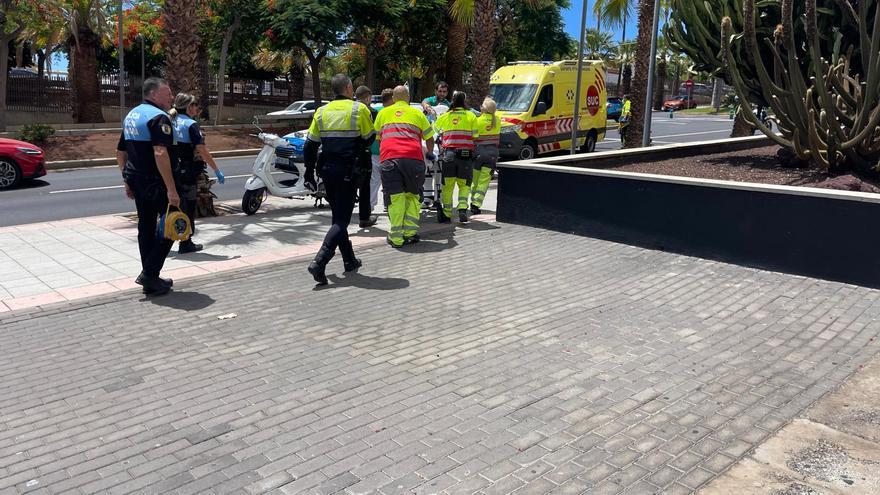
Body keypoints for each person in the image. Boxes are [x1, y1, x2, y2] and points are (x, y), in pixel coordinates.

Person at [303, 74, 376, 285]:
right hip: (348, 172)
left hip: (326, 171)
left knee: (338, 216)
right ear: (348, 88)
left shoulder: (321, 111)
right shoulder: (359, 109)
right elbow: (369, 138)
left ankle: (349, 260)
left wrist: (308, 172)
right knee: (342, 221)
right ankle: (319, 261)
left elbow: (310, 145)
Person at [116, 77, 178, 296]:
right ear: (153, 94)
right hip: (155, 181)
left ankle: (150, 278)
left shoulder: (132, 115)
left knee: (146, 227)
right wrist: (171, 189)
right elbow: (160, 153)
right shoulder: (159, 117)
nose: (171, 97)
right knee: (175, 223)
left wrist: (126, 179)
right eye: (167, 93)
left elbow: (120, 152)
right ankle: (149, 274)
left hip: (137, 179)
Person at [374, 85, 435, 248]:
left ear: (393, 98)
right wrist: (430, 154)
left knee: (395, 198)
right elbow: (430, 138)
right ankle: (410, 233)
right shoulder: (417, 113)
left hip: (390, 160)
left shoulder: (383, 113)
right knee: (413, 197)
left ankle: (396, 237)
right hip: (413, 160)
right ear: (408, 98)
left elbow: (378, 139)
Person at [170, 92, 226, 254]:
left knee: (172, 205)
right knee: (188, 206)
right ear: (189, 107)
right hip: (187, 172)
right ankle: (186, 242)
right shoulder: (191, 125)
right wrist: (216, 170)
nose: (197, 108)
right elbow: (202, 149)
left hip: (171, 169)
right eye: (195, 105)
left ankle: (164, 238)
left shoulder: (170, 120)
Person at [433, 90, 478, 223]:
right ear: (464, 101)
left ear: (452, 100)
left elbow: (435, 130)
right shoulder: (471, 116)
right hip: (465, 156)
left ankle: (447, 213)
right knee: (464, 185)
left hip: (449, 155)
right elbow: (475, 135)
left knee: (448, 186)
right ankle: (462, 208)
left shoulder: (446, 116)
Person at [469, 97, 501, 215]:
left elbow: (472, 137)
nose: (480, 107)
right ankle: (476, 204)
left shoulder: (477, 120)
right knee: (484, 181)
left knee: (475, 180)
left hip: (478, 153)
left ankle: (472, 201)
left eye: (482, 105)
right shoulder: (497, 120)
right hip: (492, 154)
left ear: (484, 108)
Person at [354, 85, 379, 228]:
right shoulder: (370, 111)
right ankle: (364, 217)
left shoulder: (349, 109)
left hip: (346, 153)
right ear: (368, 97)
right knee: (365, 187)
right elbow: (370, 135)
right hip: (363, 153)